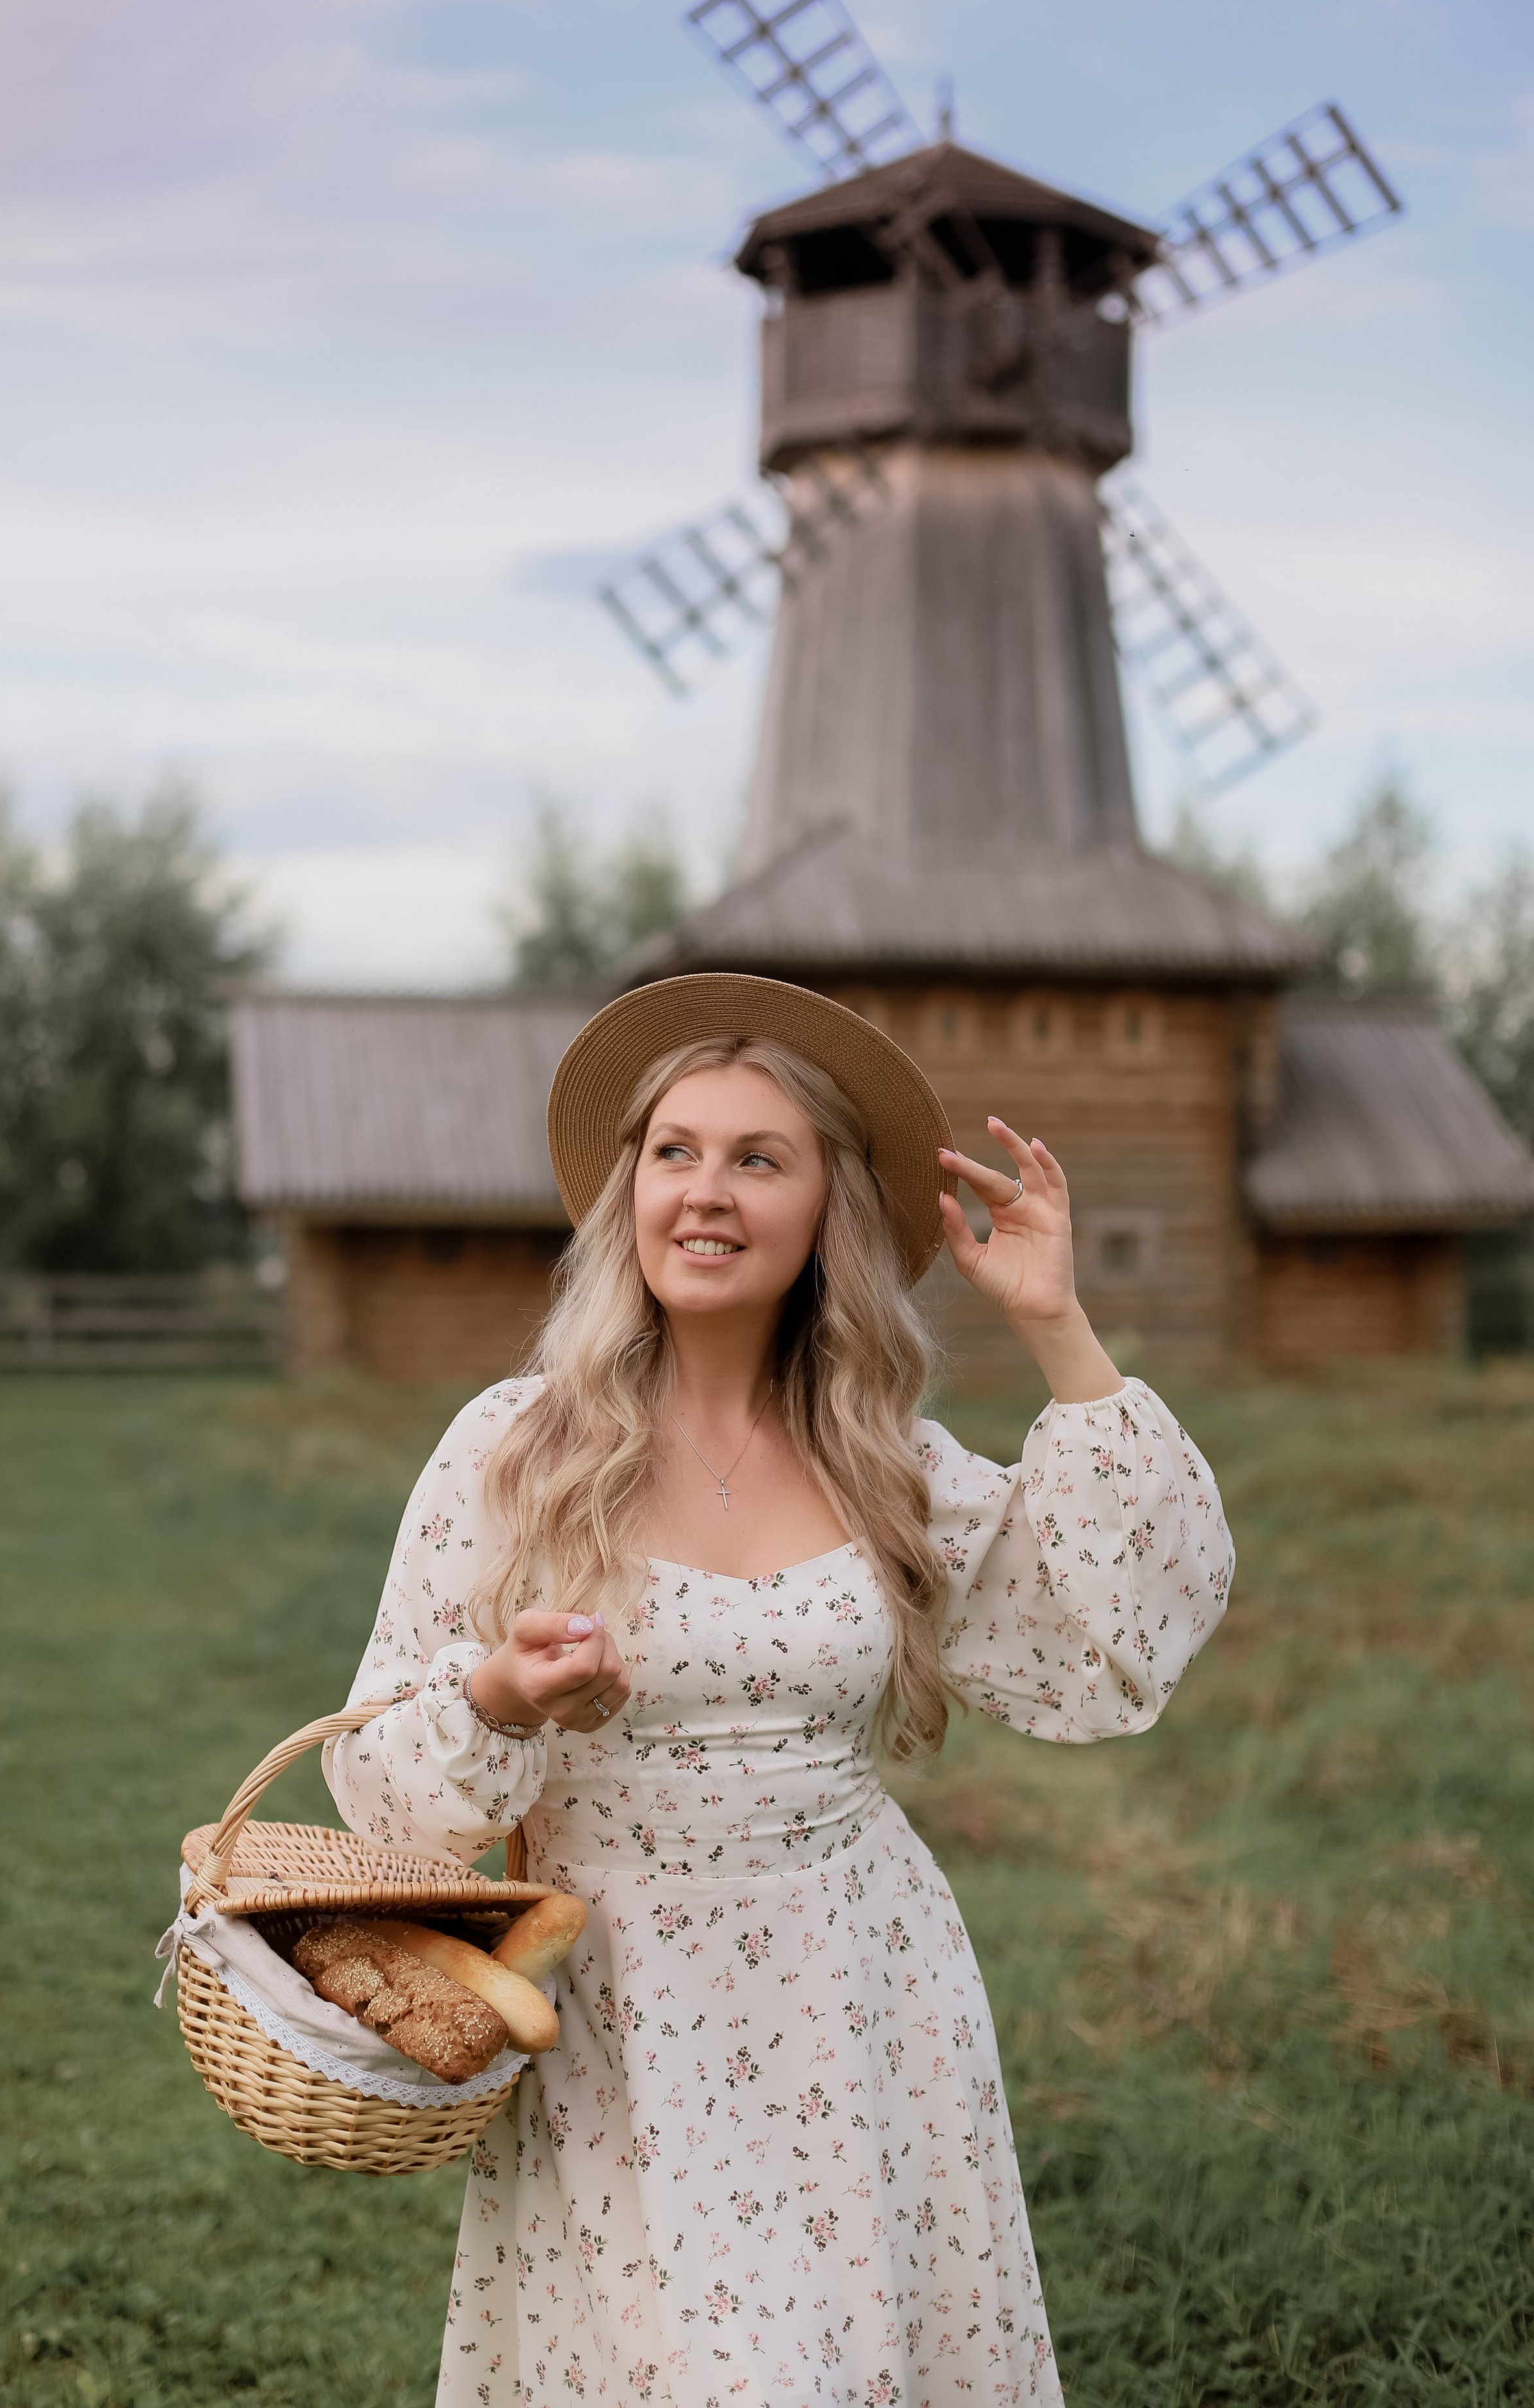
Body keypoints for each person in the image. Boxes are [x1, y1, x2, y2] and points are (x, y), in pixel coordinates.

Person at [325, 973, 1233, 2408]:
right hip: (622, 2000)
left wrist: (1056, 1325)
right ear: (628, 1191)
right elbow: (378, 1780)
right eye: (674, 1152)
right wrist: (498, 1699)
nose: (705, 1190)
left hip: (858, 1986)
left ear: (827, 1210)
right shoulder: (515, 1451)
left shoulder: (892, 1461)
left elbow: (1111, 1638)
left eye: (758, 1158)